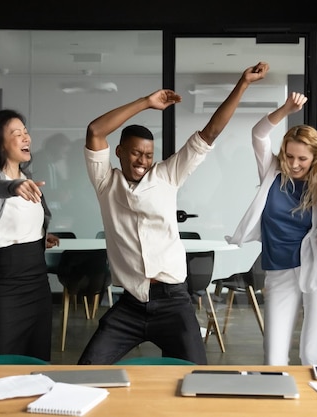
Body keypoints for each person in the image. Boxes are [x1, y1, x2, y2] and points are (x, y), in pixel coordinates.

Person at [78, 62, 269, 365]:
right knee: (88, 370)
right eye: (135, 152)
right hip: (131, 303)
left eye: (148, 154)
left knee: (196, 378)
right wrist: (146, 103)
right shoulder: (105, 181)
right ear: (119, 152)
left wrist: (243, 84)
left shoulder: (167, 175)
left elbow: (211, 132)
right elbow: (95, 130)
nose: (142, 160)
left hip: (173, 302)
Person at [226, 92, 317, 366]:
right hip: (279, 272)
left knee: (311, 353)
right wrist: (286, 109)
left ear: (315, 157)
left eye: (302, 159)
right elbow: (258, 135)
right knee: (274, 357)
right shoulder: (271, 172)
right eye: (289, 156)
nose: (294, 164)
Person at [0, 109, 60, 362]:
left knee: (38, 358)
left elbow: (29, 218)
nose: (26, 137)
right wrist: (14, 187)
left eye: (26, 132)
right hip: (4, 282)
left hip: (37, 280)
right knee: (1, 359)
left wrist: (40, 236)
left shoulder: (28, 178)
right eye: (17, 134)